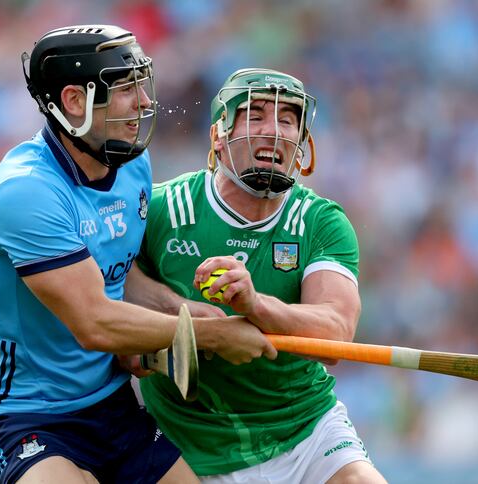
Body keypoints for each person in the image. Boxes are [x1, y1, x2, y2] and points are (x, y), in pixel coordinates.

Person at [0, 27, 276, 484]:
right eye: (126, 89)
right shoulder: (26, 191)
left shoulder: (131, 165)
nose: (145, 102)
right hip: (22, 414)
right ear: (74, 101)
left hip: (109, 403)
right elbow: (94, 322)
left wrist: (182, 309)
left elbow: (116, 273)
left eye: (141, 85)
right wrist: (212, 337)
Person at [128, 68, 387, 483]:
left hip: (306, 429)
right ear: (218, 135)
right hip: (192, 447)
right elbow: (113, 285)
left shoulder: (320, 222)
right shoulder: (160, 210)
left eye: (287, 119)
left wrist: (255, 304)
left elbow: (336, 334)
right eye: (255, 115)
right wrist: (180, 320)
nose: (275, 131)